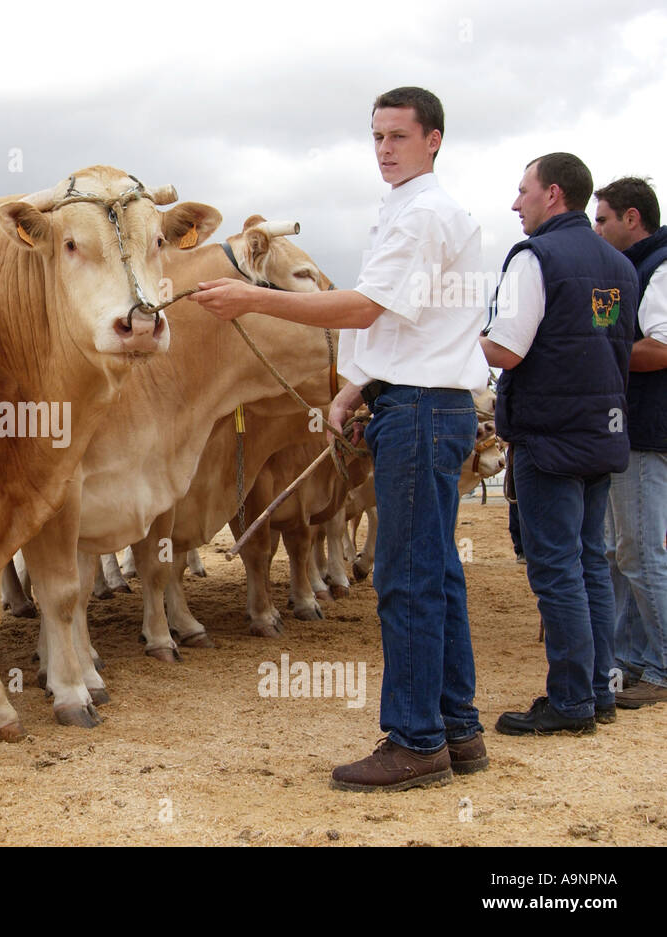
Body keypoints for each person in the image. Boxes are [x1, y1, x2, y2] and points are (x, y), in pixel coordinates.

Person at [192, 86, 489, 791]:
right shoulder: (411, 211)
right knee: (437, 572)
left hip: (419, 410)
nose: (384, 148)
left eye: (399, 136)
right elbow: (396, 323)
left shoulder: (422, 215)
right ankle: (457, 729)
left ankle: (415, 741)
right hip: (421, 400)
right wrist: (354, 386)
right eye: (377, 136)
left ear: (435, 139)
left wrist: (252, 298)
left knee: (409, 577)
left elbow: (365, 305)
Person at [482, 153, 637, 734]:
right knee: (590, 564)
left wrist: (461, 339)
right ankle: (599, 690)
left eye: (522, 191)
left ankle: (570, 701)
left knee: (556, 569)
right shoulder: (618, 264)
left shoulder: (535, 257)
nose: (515, 203)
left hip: (550, 439)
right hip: (604, 434)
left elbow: (507, 350)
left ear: (552, 194)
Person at [592, 176, 667, 709]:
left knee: (640, 552)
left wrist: (602, 354)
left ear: (633, 218)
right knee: (623, 552)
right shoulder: (628, 272)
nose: (596, 229)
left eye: (603, 219)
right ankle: (633, 660)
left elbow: (661, 347)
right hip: (630, 427)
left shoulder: (658, 268)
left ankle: (661, 668)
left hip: (646, 428)